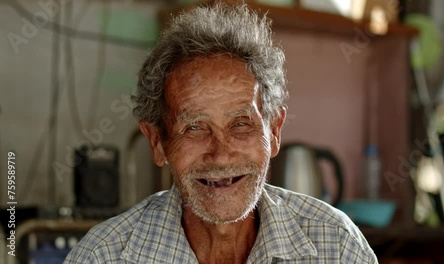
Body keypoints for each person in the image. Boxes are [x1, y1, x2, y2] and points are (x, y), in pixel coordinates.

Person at [65, 3, 377, 264]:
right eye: (195, 127)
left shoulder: (336, 248)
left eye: (241, 123)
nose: (221, 153)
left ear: (274, 130)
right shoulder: (105, 255)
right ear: (157, 142)